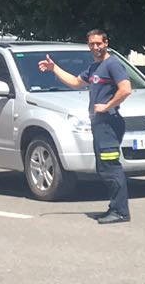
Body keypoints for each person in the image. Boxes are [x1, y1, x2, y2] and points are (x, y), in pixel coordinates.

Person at [37, 29, 132, 224]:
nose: (95, 47)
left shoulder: (113, 64)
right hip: (99, 124)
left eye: (99, 43)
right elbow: (75, 82)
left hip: (109, 123)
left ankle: (121, 211)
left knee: (110, 167)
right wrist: (54, 68)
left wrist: (107, 106)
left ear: (106, 43)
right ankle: (115, 207)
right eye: (92, 44)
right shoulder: (95, 67)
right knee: (103, 167)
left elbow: (125, 89)